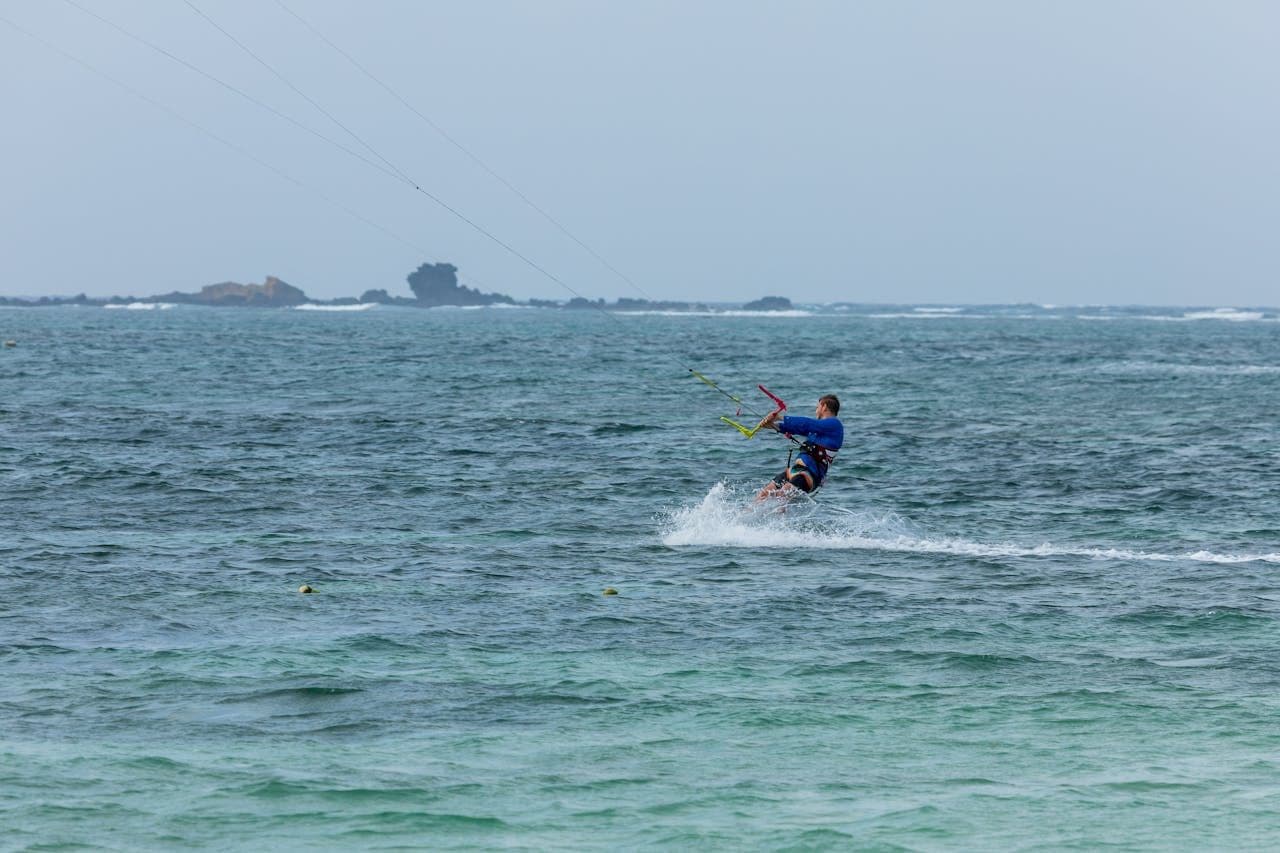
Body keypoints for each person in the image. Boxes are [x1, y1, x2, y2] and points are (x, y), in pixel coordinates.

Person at [755, 394, 843, 499]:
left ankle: (778, 510)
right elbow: (799, 429)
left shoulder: (834, 424)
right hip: (795, 470)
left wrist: (779, 417)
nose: (816, 411)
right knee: (764, 493)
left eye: (817, 407)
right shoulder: (819, 430)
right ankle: (747, 510)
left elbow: (807, 424)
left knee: (782, 494)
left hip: (811, 474)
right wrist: (773, 426)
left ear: (824, 407)